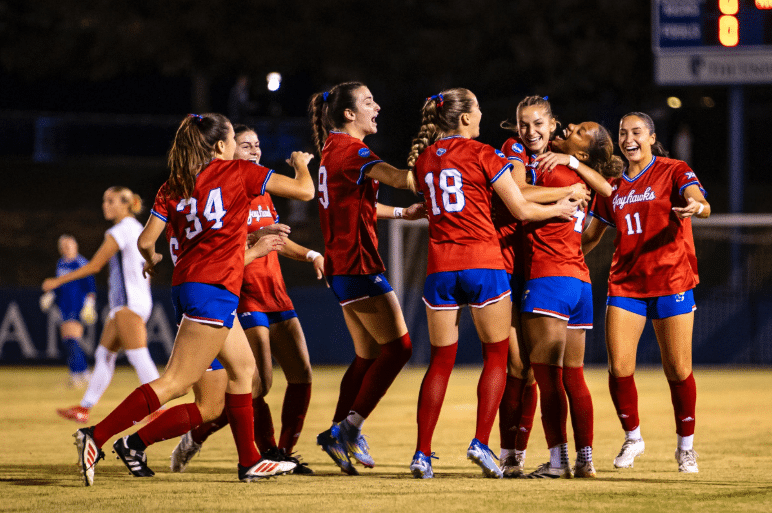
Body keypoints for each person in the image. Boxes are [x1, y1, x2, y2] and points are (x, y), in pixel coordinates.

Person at [70, 112, 315, 486]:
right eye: (234, 140)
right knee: (175, 382)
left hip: (189, 286)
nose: (239, 148)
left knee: (243, 370)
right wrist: (300, 165)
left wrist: (152, 260)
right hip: (213, 290)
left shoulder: (175, 184)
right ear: (220, 146)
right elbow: (305, 192)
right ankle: (95, 436)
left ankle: (249, 460)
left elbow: (145, 242)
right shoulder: (239, 173)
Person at [406, 89, 577, 479]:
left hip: (440, 269)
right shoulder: (485, 153)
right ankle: (481, 443)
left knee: (439, 363)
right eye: (478, 108)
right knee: (498, 357)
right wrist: (560, 207)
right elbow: (519, 208)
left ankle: (421, 453)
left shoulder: (426, 158)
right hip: (484, 264)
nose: (483, 114)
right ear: (465, 118)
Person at [169, 124, 322, 475]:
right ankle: (228, 441)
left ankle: (282, 451)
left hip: (276, 293)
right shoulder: (226, 192)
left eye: (257, 145)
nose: (254, 151)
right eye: (245, 145)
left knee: (301, 372)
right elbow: (221, 248)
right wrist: (300, 166)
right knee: (257, 384)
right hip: (245, 293)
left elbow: (278, 241)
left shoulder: (263, 190)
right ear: (226, 150)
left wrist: (313, 254)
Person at [582, 111, 710, 474]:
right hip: (626, 284)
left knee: (679, 368)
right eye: (623, 133)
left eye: (636, 132)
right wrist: (560, 257)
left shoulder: (673, 169)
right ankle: (633, 437)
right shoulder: (612, 185)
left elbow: (698, 199)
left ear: (652, 138)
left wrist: (697, 206)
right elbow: (591, 236)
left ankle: (686, 447)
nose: (628, 139)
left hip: (672, 280)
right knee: (619, 367)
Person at [495, 96, 615, 478]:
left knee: (545, 378)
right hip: (580, 281)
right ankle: (585, 461)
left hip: (546, 279)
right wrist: (574, 176)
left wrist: (562, 177)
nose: (567, 132)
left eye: (577, 133)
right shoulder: (578, 176)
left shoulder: (550, 169)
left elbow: (519, 197)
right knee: (573, 376)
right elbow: (605, 198)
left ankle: (558, 461)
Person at [308, 81, 423, 475]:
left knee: (368, 355)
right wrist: (437, 168)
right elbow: (395, 177)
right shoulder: (351, 150)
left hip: (342, 268)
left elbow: (362, 205)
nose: (377, 107)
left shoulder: (332, 151)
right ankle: (347, 429)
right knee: (401, 349)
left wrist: (401, 214)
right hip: (358, 266)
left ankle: (340, 435)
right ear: (348, 114)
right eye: (369, 101)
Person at [44, 188, 159, 425]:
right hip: (132, 302)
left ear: (125, 204)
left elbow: (95, 265)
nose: (105, 205)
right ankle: (84, 408)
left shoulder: (119, 230)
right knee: (104, 354)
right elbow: (151, 262)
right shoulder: (138, 229)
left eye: (110, 201)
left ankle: (161, 408)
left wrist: (57, 280)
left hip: (129, 304)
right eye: (104, 200)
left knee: (138, 356)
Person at [39, 234, 97, 388]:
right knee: (68, 341)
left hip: (77, 305)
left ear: (75, 247)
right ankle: (80, 373)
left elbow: (90, 286)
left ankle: (80, 373)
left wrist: (89, 304)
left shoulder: (81, 263)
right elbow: (60, 285)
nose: (66, 249)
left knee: (71, 340)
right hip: (64, 306)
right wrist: (51, 295)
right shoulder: (61, 263)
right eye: (64, 246)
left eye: (69, 246)